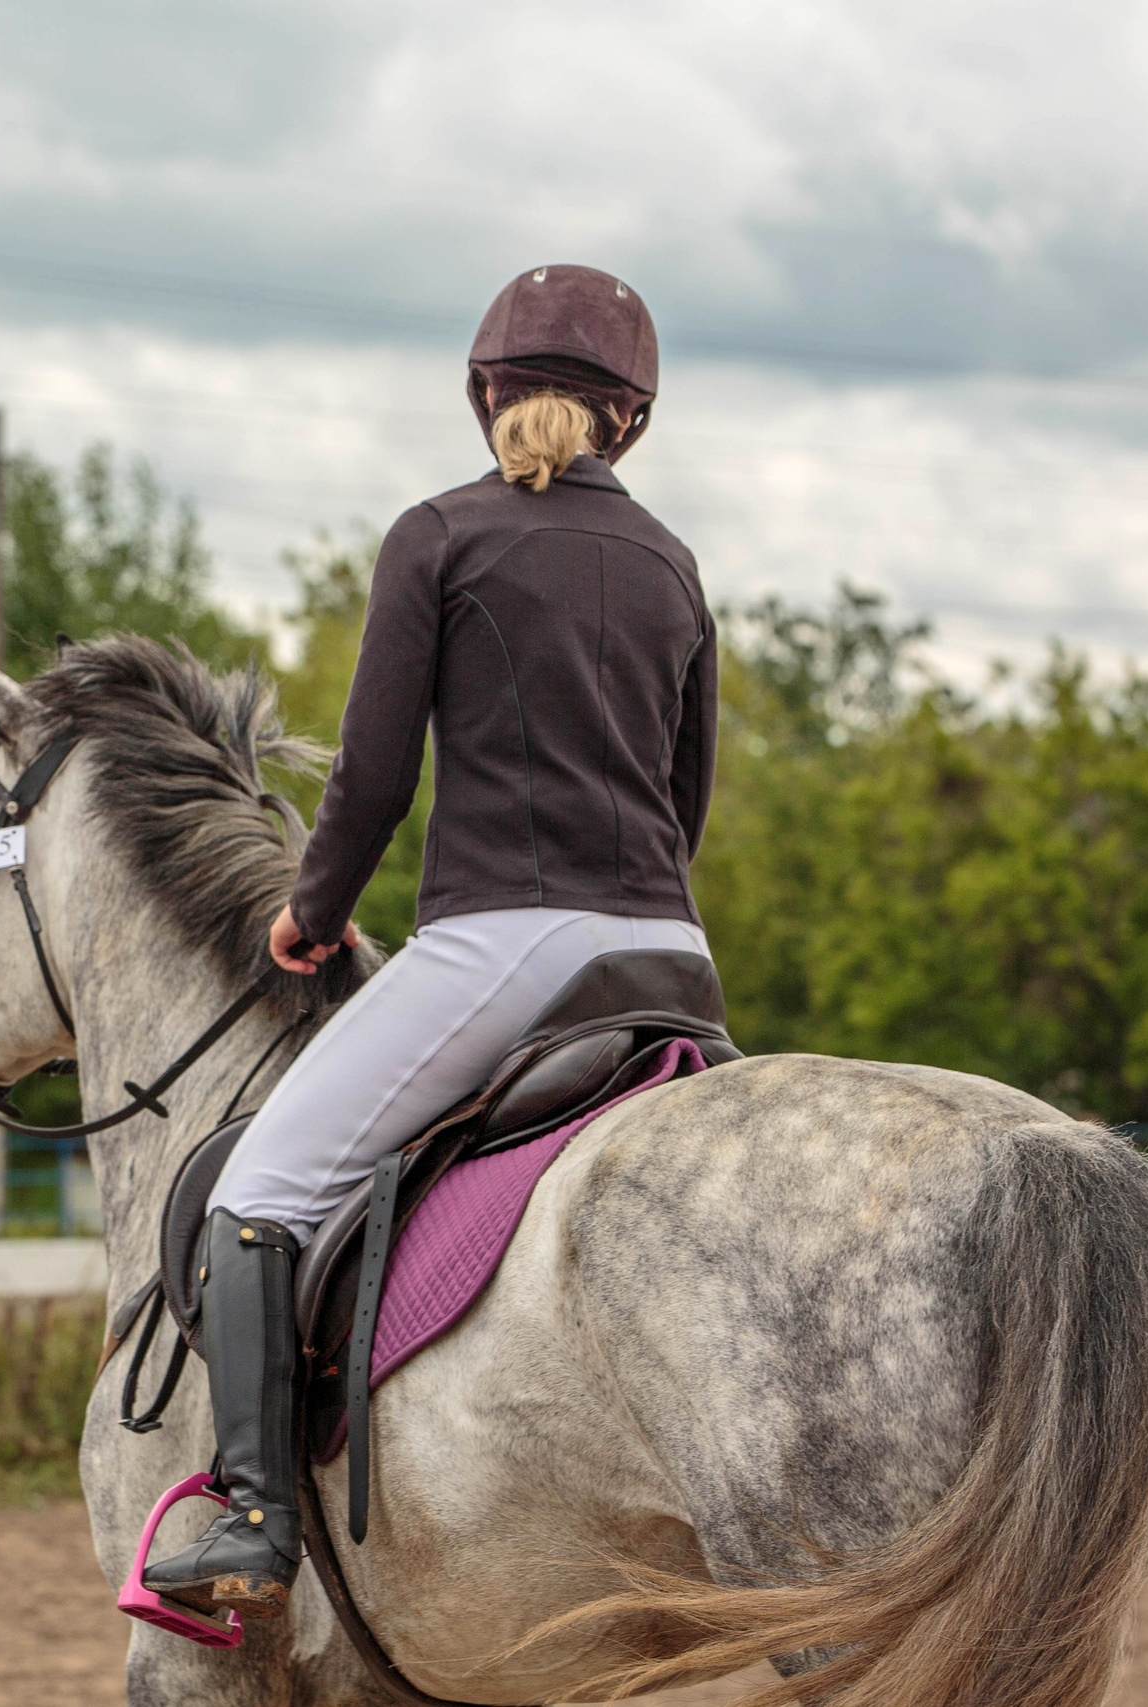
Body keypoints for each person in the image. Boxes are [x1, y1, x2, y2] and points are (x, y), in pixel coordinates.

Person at [139, 263, 719, 1620]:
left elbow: (376, 778)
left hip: (506, 948)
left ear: (484, 396)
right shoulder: (674, 564)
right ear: (630, 418)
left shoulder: (439, 535)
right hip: (672, 957)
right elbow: (685, 797)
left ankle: (253, 1514)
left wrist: (312, 913)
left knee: (259, 1194)